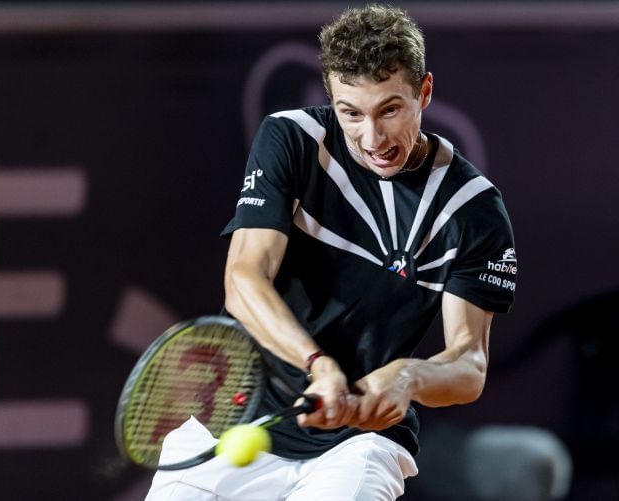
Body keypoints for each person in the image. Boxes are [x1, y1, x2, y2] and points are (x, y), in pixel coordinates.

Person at [145, 4, 516, 500]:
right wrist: (317, 364)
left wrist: (410, 377)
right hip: (237, 418)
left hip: (358, 445)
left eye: (390, 109)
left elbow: (469, 365)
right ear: (331, 100)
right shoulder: (292, 139)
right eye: (351, 113)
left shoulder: (473, 208)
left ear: (424, 92)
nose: (373, 138)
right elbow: (243, 279)